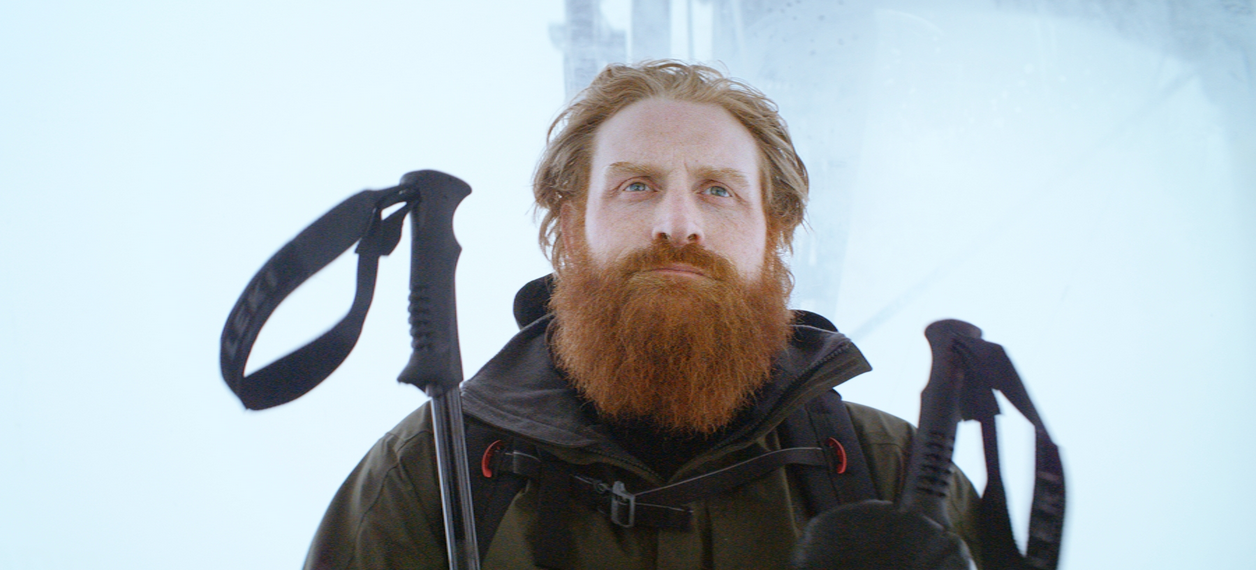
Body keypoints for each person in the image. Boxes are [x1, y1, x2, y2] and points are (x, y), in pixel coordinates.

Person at [303, 60, 983, 570]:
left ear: (772, 234)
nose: (678, 224)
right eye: (636, 186)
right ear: (571, 227)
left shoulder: (892, 473)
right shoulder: (427, 475)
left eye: (718, 190)